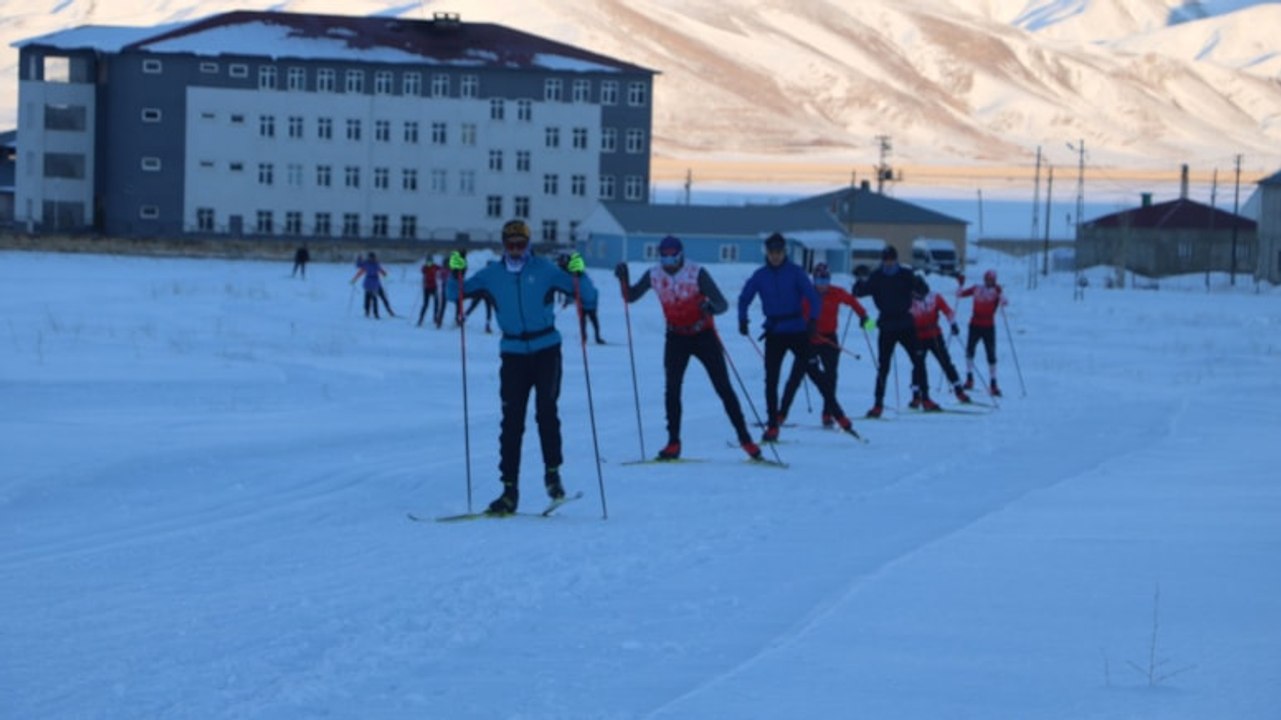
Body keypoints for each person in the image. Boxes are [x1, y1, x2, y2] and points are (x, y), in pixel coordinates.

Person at [447, 220, 579, 515]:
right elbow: (454, 295)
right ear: (503, 245)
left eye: (521, 244)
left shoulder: (544, 270)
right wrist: (454, 270)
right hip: (513, 353)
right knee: (511, 421)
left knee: (546, 411)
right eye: (510, 244)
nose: (516, 250)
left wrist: (578, 270)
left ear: (529, 245)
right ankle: (509, 491)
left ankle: (553, 477)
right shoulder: (492, 275)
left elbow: (584, 294)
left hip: (546, 349)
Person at [616, 235, 762, 461]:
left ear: (681, 255)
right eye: (663, 257)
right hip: (676, 337)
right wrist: (623, 279)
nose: (668, 261)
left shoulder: (696, 273)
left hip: (703, 334)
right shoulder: (654, 274)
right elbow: (631, 297)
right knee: (672, 390)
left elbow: (722, 304)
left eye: (672, 256)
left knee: (723, 386)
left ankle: (745, 439)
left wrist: (708, 306)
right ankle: (673, 442)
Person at [738, 232, 850, 442]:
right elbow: (744, 298)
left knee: (816, 374)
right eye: (772, 252)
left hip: (798, 330)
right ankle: (773, 425)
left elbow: (813, 297)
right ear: (767, 253)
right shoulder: (760, 275)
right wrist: (742, 319)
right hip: (774, 332)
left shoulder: (796, 273)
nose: (775, 256)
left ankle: (839, 415)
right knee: (771, 380)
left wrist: (813, 320)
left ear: (784, 252)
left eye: (779, 252)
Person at [777, 263, 869, 428]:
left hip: (829, 340)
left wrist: (864, 317)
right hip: (808, 340)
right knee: (795, 377)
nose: (822, 284)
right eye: (819, 280)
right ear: (813, 280)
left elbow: (852, 302)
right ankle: (781, 414)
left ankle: (828, 413)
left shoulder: (836, 292)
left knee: (830, 377)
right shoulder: (805, 294)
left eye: (825, 280)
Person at [852, 244, 936, 416]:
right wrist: (858, 283)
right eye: (886, 260)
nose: (888, 263)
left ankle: (925, 397)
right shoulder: (877, 277)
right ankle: (878, 404)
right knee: (883, 367)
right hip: (887, 325)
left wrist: (921, 284)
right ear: (883, 261)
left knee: (919, 361)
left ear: (896, 259)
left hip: (906, 323)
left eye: (891, 259)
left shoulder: (905, 274)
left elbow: (923, 292)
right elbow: (860, 292)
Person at [910, 274, 971, 406]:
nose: (917, 296)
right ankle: (916, 395)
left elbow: (948, 311)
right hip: (917, 337)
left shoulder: (934, 297)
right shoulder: (908, 300)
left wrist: (953, 323)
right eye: (915, 293)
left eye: (919, 293)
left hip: (934, 335)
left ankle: (959, 390)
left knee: (945, 362)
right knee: (918, 366)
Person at [957, 269, 1008, 397]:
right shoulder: (976, 288)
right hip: (974, 324)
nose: (988, 281)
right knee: (970, 351)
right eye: (987, 279)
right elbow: (959, 295)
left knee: (991, 354)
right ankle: (969, 378)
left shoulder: (996, 290)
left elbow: (1005, 302)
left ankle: (993, 383)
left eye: (991, 279)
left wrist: (1000, 294)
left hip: (988, 327)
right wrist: (960, 284)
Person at [558, 253, 605, 344]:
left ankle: (587, 338)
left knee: (585, 321)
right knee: (590, 321)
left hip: (586, 302)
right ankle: (592, 337)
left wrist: (567, 301)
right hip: (590, 301)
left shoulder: (578, 279)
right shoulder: (582, 277)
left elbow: (574, 292)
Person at [351, 251, 394, 319]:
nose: (373, 259)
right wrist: (359, 258)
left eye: (374, 257)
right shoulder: (366, 263)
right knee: (372, 298)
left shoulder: (375, 263)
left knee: (382, 297)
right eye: (371, 258)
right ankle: (373, 313)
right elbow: (359, 269)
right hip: (370, 283)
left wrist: (384, 273)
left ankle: (389, 311)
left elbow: (380, 269)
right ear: (369, 258)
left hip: (376, 283)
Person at [416, 256, 440, 327]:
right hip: (427, 288)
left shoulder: (435, 267)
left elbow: (440, 269)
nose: (429, 263)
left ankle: (435, 318)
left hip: (434, 287)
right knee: (425, 304)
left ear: (432, 262)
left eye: (430, 262)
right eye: (428, 262)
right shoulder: (425, 268)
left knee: (436, 303)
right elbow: (422, 270)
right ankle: (421, 319)